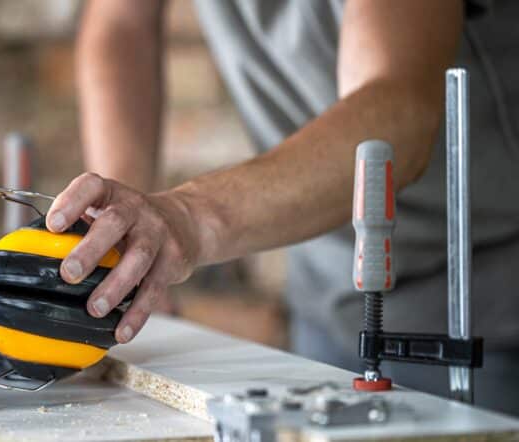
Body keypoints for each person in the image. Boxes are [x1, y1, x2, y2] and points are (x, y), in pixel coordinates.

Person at [47, 0, 519, 415]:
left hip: (479, 303)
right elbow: (121, 21)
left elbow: (393, 114)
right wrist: (124, 253)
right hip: (326, 290)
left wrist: (186, 220)